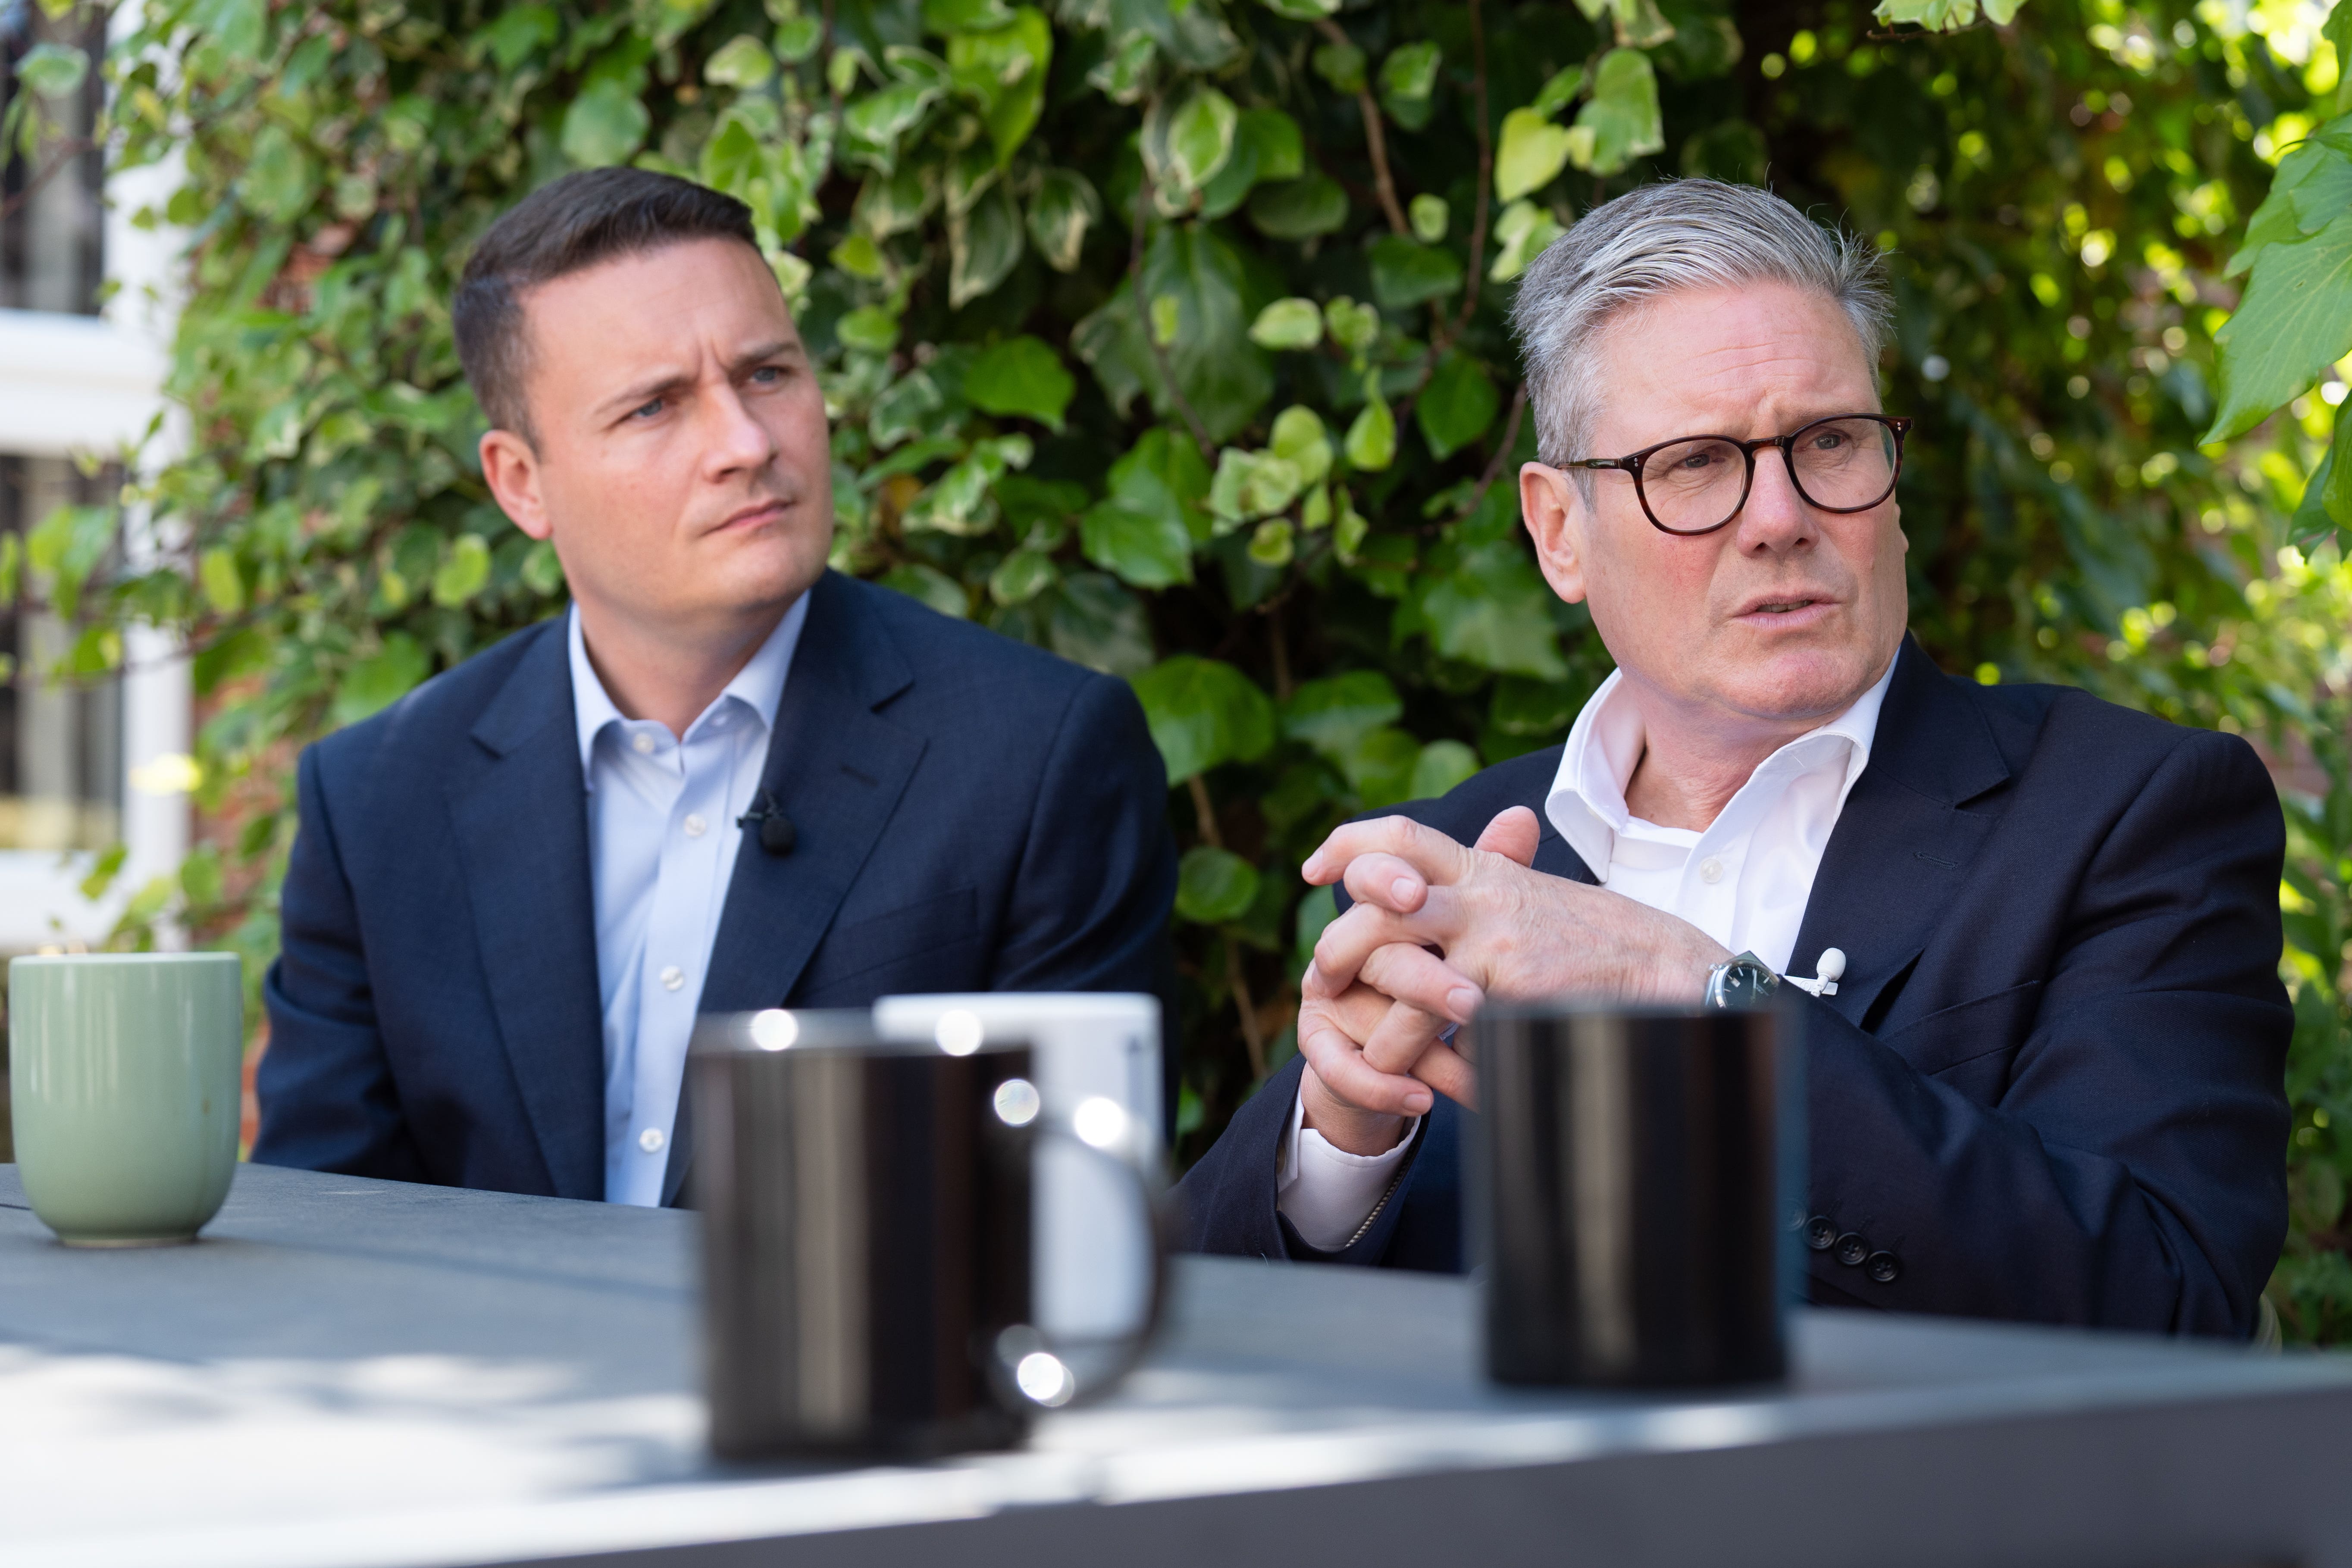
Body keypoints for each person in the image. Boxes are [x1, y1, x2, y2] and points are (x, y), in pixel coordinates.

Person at [1176, 179, 2290, 1338]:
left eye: (1830, 441)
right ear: (1560, 531)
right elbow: (1180, 1326)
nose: (1778, 515)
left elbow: (2165, 1301)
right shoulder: (1465, 857)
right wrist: (1342, 1144)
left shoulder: (2121, 812)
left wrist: (1697, 998)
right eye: (1697, 462)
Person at [254, 169, 1176, 1207]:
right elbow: (328, 1232)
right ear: (522, 482)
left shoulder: (1037, 756)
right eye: (654, 406)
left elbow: (1065, 1226)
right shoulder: (378, 799)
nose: (746, 444)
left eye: (768, 373)